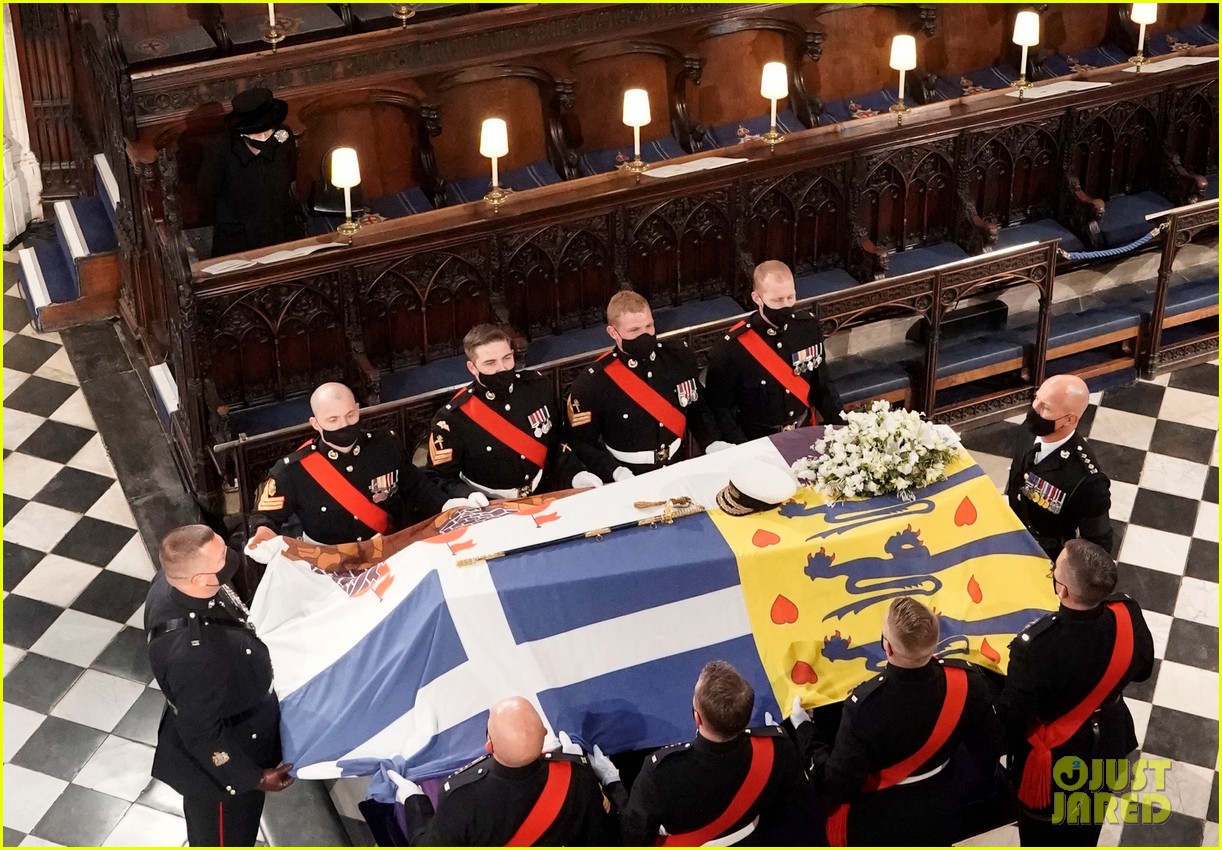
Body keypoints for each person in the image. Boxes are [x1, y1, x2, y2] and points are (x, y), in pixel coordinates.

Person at [795, 597, 1004, 846]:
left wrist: (803, 729)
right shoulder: (967, 682)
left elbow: (837, 783)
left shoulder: (864, 707)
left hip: (881, 822)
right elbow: (989, 745)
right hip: (942, 809)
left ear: (888, 647)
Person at [995, 539, 1154, 846]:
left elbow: (1013, 719)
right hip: (1107, 737)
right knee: (1088, 819)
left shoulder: (1036, 648)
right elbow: (1143, 671)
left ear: (1063, 590)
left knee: (1043, 832)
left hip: (1056, 759)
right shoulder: (1128, 614)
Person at [145, 525, 295, 846]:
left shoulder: (175, 584)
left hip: (231, 708)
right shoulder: (194, 655)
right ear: (198, 580)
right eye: (221, 561)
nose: (231, 561)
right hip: (220, 771)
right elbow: (202, 734)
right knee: (225, 838)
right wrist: (252, 777)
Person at [597, 660, 810, 845]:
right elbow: (797, 810)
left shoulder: (661, 773)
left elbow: (632, 839)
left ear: (697, 718)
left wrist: (614, 785)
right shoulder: (776, 747)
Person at [251, 382, 484, 545]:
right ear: (315, 423)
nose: (344, 424)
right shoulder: (293, 470)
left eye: (350, 416)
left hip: (385, 551)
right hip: (329, 564)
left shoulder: (385, 446)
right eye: (332, 420)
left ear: (358, 410)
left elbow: (416, 486)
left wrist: (448, 504)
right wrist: (263, 532)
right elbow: (266, 516)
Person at [393, 697, 617, 845]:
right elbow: (600, 838)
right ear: (545, 732)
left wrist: (415, 803)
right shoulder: (576, 775)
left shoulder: (462, 797)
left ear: (489, 744)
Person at [565, 291, 724, 483]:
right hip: (628, 475)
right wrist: (614, 472)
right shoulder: (593, 382)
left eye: (649, 326)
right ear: (613, 333)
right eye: (634, 330)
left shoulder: (678, 357)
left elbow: (696, 407)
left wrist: (711, 441)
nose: (645, 335)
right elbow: (583, 441)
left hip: (678, 465)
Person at [426, 324, 600, 499]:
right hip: (490, 505)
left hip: (543, 492)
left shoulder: (538, 388)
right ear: (472, 368)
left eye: (507, 358)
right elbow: (439, 476)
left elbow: (555, 442)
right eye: (490, 363)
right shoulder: (453, 418)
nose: (502, 368)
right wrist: (468, 495)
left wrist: (575, 474)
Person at [705, 260, 844, 440]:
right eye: (777, 300)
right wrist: (741, 447)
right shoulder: (732, 347)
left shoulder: (807, 328)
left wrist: (842, 426)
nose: (786, 305)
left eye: (790, 297)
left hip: (803, 431)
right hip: (757, 440)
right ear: (757, 298)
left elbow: (822, 385)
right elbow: (720, 407)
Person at [1007, 374, 1114, 561]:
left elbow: (1098, 546)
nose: (1035, 409)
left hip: (1046, 554)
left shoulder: (1087, 479)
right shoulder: (1032, 428)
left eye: (1046, 407)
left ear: (1070, 420)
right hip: (1012, 531)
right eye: (1036, 399)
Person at [204, 87, 305, 257]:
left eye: (269, 129)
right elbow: (207, 190)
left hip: (280, 227)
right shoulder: (220, 148)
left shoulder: (283, 135)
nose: (265, 135)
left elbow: (291, 172)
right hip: (239, 236)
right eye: (258, 131)